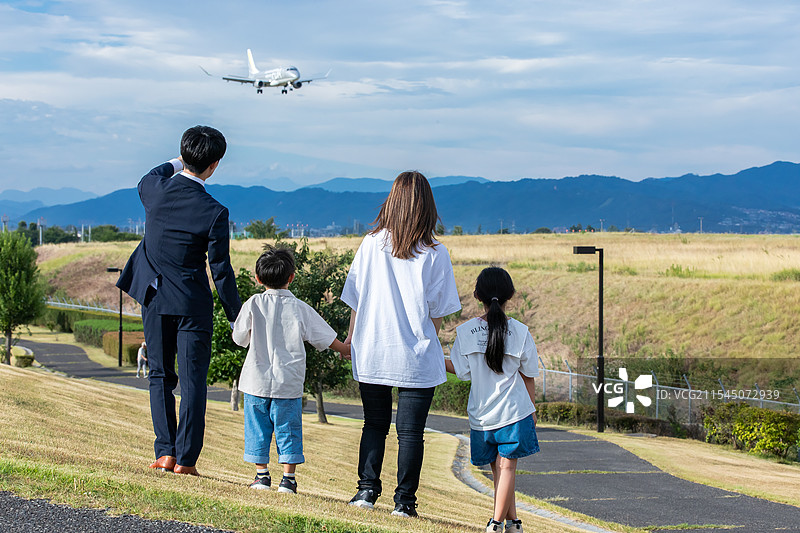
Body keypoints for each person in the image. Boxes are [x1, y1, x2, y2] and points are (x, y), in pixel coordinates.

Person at [116, 125, 242, 476]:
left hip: (153, 298)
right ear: (215, 165)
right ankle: (186, 461)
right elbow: (221, 271)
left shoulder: (154, 191)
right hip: (192, 304)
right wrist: (236, 314)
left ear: (183, 155)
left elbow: (152, 173)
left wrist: (178, 160)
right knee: (192, 383)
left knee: (159, 375)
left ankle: (165, 453)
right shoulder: (215, 211)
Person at [341, 171, 461, 518]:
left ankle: (366, 490)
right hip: (417, 356)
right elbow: (438, 313)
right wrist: (424, 335)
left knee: (373, 424)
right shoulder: (436, 253)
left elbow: (356, 300)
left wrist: (351, 340)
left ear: (391, 201)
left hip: (373, 349)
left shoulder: (370, 244)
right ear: (427, 207)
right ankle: (405, 503)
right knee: (411, 434)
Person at [232, 246, 350, 494]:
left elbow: (239, 338)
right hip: (288, 382)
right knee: (288, 429)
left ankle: (261, 476)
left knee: (257, 428)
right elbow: (324, 337)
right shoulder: (300, 308)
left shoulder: (253, 303)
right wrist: (344, 348)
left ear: (258, 278)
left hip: (256, 380)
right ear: (291, 277)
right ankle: (288, 480)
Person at [445, 267, 539, 533]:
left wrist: (437, 361)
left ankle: (500, 524)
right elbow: (529, 375)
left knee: (499, 470)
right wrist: (532, 409)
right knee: (506, 469)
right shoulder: (520, 332)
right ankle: (506, 522)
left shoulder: (465, 332)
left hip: (481, 414)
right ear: (510, 295)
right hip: (515, 411)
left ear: (477, 295)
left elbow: (462, 371)